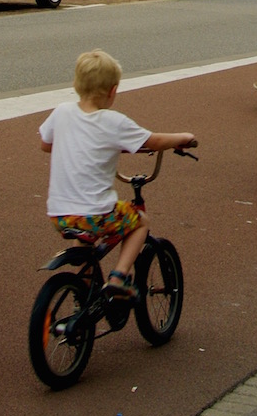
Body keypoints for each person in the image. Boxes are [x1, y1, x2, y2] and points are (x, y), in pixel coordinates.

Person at [41, 50, 197, 298]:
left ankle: (85, 296)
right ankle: (119, 277)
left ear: (76, 84)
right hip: (96, 213)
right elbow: (154, 141)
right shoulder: (114, 122)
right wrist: (184, 138)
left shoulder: (61, 112)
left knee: (86, 238)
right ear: (113, 91)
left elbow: (46, 143)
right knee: (140, 221)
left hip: (60, 214)